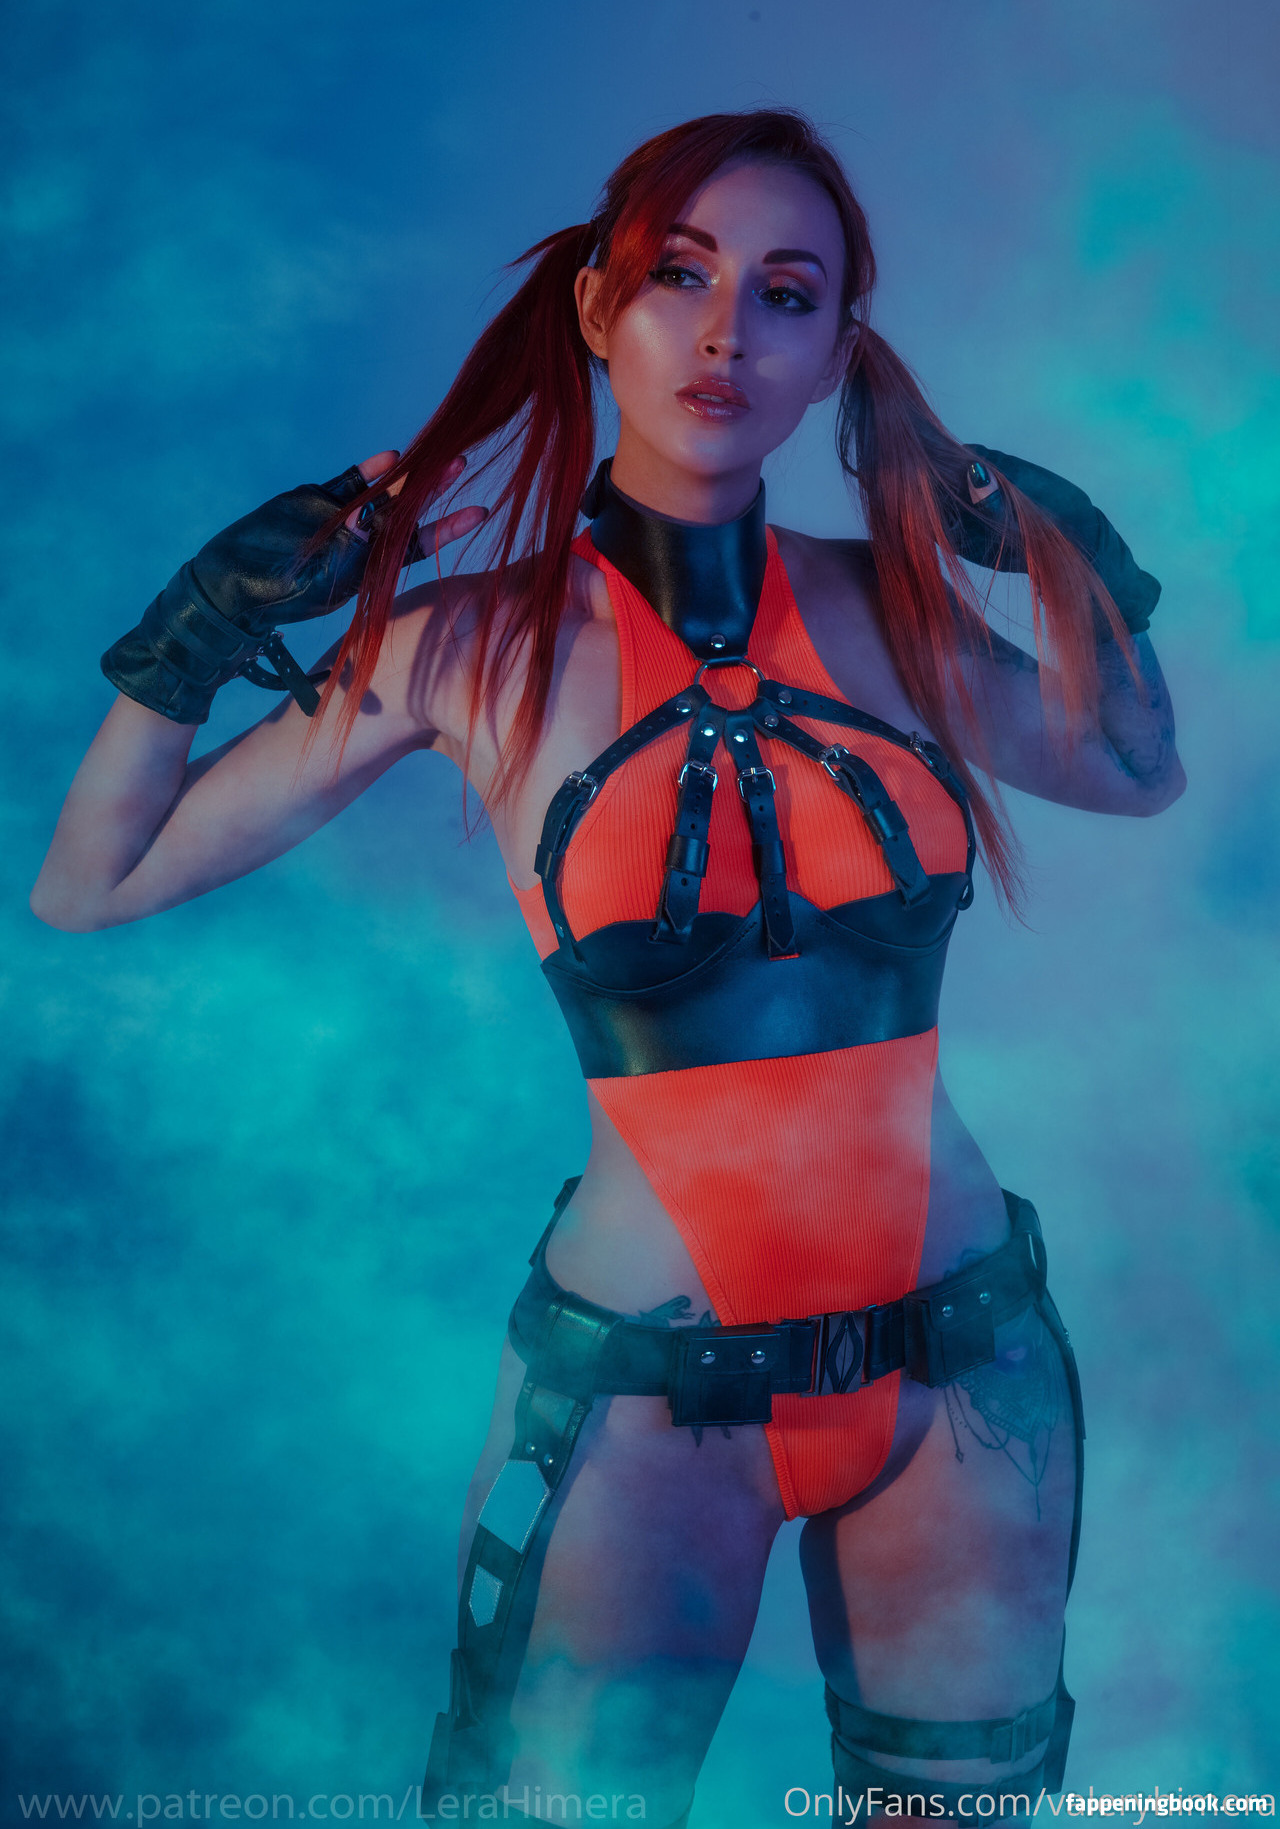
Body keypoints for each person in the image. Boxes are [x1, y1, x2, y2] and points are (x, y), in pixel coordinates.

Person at [31, 110, 1184, 1823]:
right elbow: (92, 883)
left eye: (784, 295)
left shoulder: (895, 613)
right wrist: (191, 637)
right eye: (678, 277)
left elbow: (1135, 769)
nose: (726, 335)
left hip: (965, 1370)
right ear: (596, 305)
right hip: (649, 1393)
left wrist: (1084, 566)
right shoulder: (467, 647)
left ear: (837, 351)